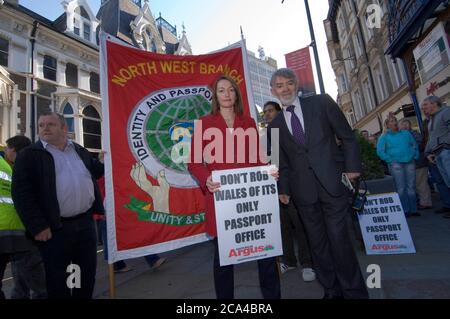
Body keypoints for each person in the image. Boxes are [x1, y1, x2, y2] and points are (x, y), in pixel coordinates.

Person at [268, 68, 368, 299]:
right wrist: (282, 189)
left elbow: (348, 136)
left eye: (289, 83)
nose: (285, 88)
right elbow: (278, 164)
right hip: (302, 194)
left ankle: (354, 293)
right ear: (273, 90)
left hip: (332, 185)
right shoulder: (274, 126)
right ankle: (332, 291)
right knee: (318, 246)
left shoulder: (322, 102)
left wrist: (352, 167)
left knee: (340, 241)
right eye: (280, 85)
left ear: (296, 85)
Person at [188, 75, 280, 299]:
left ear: (236, 94)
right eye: (221, 90)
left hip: (252, 198)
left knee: (266, 254)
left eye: (231, 89)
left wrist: (270, 171)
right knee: (223, 260)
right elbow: (193, 161)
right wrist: (206, 178)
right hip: (222, 199)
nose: (227, 94)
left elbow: (258, 158)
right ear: (215, 95)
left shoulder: (248, 121)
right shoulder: (203, 123)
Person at [11, 112, 105, 299]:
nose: (45, 128)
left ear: (64, 128)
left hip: (84, 225)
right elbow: (22, 194)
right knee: (57, 280)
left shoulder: (79, 150)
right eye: (41, 125)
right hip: (55, 229)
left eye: (51, 124)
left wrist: (107, 158)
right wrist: (38, 226)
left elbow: (95, 172)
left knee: (82, 275)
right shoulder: (29, 155)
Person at [264, 100, 315, 281]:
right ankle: (289, 260)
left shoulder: (288, 128)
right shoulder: (268, 133)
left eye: (270, 110)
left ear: (279, 111)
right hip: (275, 186)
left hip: (293, 185)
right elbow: (270, 158)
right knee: (282, 226)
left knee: (299, 224)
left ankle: (307, 263)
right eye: (265, 112)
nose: (267, 114)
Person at [3, 136, 47, 299]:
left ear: (14, 150)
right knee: (22, 280)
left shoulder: (22, 169)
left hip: (25, 232)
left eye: (7, 148)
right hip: (19, 232)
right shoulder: (15, 167)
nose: (5, 151)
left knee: (35, 283)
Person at [95, 176, 167, 273]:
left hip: (118, 212)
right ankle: (118, 265)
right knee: (112, 240)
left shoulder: (112, 176)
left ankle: (152, 259)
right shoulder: (103, 179)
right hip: (108, 214)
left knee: (134, 236)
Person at [377, 115, 420, 217]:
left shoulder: (406, 133)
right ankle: (405, 210)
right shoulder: (384, 137)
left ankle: (414, 209)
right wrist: (389, 160)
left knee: (411, 186)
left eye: (395, 120)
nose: (394, 122)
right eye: (391, 121)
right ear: (387, 125)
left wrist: (415, 155)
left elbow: (414, 144)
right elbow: (380, 151)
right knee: (401, 188)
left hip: (409, 161)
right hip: (396, 163)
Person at [422, 96, 450, 218]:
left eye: (425, 105)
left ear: (434, 104)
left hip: (446, 151)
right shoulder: (431, 120)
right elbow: (431, 138)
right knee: (447, 182)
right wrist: (427, 152)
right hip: (438, 153)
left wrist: (445, 144)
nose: (423, 108)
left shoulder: (446, 112)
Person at [400, 119, 433, 209]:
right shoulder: (404, 136)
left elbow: (419, 145)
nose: (405, 126)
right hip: (413, 164)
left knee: (421, 184)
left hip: (419, 163)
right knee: (417, 185)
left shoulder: (414, 134)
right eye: (403, 124)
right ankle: (423, 201)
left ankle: (426, 202)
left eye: (406, 124)